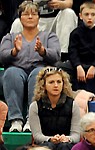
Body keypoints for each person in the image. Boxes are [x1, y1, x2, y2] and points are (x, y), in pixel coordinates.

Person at [0, 1, 61, 133]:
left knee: (38, 74)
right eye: (26, 14)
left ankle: (30, 119)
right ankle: (16, 120)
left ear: (38, 17)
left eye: (33, 14)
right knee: (11, 73)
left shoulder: (49, 36)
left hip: (39, 68)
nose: (30, 17)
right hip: (17, 68)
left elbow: (56, 56)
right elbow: (2, 56)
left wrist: (42, 51)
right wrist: (14, 51)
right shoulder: (10, 37)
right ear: (20, 17)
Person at [28, 66, 81, 150]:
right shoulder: (35, 106)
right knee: (48, 146)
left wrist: (67, 138)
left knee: (64, 146)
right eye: (51, 82)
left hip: (67, 143)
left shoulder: (73, 105)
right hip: (45, 143)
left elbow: (76, 135)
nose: (56, 85)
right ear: (44, 85)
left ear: (63, 84)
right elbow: (37, 135)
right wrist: (50, 139)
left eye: (59, 82)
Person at [60, 1, 95, 100]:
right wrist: (78, 66)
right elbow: (72, 51)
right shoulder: (75, 33)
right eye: (86, 14)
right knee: (60, 67)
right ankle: (70, 95)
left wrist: (94, 66)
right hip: (80, 64)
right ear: (80, 16)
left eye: (92, 15)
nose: (89, 17)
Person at [10, 0, 78, 57]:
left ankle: (63, 56)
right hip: (36, 18)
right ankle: (14, 53)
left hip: (57, 20)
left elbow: (71, 2)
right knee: (17, 22)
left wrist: (61, 4)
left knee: (68, 13)